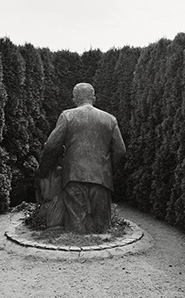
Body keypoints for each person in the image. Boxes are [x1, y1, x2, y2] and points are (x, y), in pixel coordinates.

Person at [37, 82, 126, 234]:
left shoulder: (67, 116)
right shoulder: (110, 119)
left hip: (74, 177)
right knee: (102, 228)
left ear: (74, 99)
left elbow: (51, 146)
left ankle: (76, 244)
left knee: (75, 226)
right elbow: (120, 151)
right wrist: (106, 167)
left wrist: (43, 169)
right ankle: (101, 248)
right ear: (94, 98)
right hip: (102, 179)